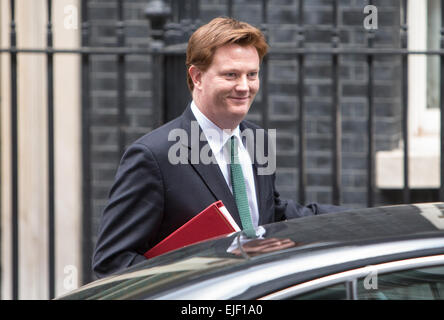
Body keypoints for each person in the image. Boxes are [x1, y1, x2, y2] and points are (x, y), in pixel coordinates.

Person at [92, 17, 343, 279]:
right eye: (231, 75)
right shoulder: (153, 156)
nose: (244, 87)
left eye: (252, 75)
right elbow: (112, 263)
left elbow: (269, 214)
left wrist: (365, 220)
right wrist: (195, 269)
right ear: (197, 76)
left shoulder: (257, 138)